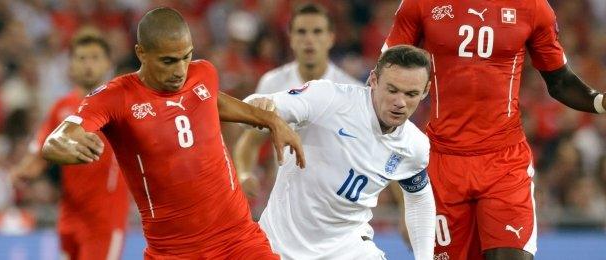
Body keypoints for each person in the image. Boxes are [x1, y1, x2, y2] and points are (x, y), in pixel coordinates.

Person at [40, 7, 305, 259]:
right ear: (141, 52)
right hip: (173, 250)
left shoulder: (203, 73)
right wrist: (65, 146)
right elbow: (57, 139)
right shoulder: (116, 97)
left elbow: (211, 99)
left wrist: (270, 119)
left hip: (236, 237)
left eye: (186, 57)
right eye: (168, 61)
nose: (180, 70)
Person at [384, 1, 606, 259]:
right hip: (443, 162)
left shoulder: (532, 7)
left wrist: (600, 102)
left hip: (504, 161)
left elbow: (559, 80)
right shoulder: (421, 4)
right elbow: (388, 69)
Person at [245, 45, 435, 260]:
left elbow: (419, 197)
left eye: (411, 94)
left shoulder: (415, 145)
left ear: (426, 91)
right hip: (282, 246)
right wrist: (258, 107)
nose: (400, 103)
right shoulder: (329, 99)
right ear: (373, 80)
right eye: (392, 90)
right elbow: (253, 108)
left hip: (349, 249)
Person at [11, 32, 129, 260]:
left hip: (105, 220)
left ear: (108, 63)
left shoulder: (119, 106)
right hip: (69, 216)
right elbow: (38, 152)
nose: (88, 65)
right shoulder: (61, 108)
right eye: (81, 58)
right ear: (71, 65)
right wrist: (21, 172)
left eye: (95, 58)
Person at [233, 3, 362, 199]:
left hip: (334, 204)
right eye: (301, 32)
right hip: (285, 202)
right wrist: (244, 174)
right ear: (291, 38)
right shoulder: (273, 83)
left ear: (331, 38)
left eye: (317, 32)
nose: (309, 39)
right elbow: (251, 140)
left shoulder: (351, 90)